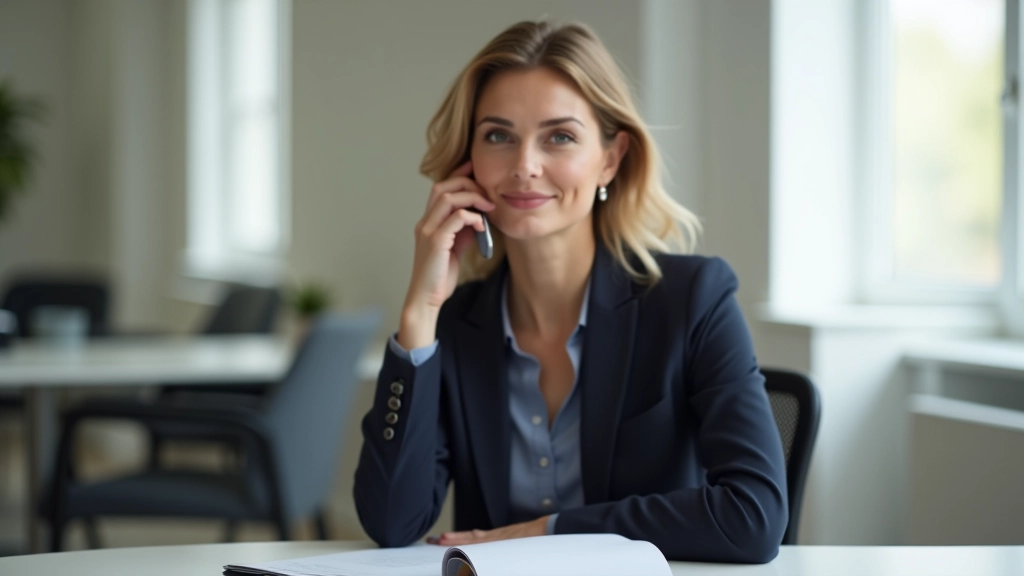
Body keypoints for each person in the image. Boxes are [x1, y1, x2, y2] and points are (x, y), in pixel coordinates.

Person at [353, 20, 787, 563]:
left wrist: (550, 531)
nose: (524, 166)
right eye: (498, 136)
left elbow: (754, 517)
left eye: (559, 136)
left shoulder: (692, 299)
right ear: (469, 163)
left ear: (610, 156)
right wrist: (420, 313)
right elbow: (392, 522)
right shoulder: (458, 325)